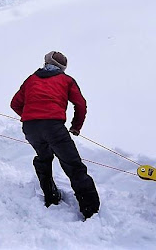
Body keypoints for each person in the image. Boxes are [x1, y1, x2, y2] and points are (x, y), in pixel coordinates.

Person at [10, 51, 100, 219]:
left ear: (45, 62)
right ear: (63, 68)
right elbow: (81, 104)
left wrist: (30, 116)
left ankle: (51, 197)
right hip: (53, 126)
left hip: (30, 128)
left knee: (43, 158)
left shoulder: (31, 79)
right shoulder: (66, 80)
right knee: (73, 166)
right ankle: (91, 210)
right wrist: (76, 126)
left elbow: (14, 104)